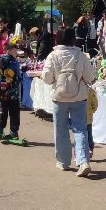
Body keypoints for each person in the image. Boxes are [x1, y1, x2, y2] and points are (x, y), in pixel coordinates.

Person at [40, 26, 97, 177]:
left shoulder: (53, 55)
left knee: (60, 130)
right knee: (81, 130)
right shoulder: (81, 55)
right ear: (73, 39)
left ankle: (63, 161)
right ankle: (83, 161)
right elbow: (90, 77)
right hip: (79, 97)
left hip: (59, 98)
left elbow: (47, 78)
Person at [0, 49, 28, 146]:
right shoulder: (14, 62)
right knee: (14, 112)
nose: (17, 53)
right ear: (10, 51)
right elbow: (19, 77)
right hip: (13, 92)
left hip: (1, 91)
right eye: (15, 51)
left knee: (3, 111)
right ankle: (13, 133)